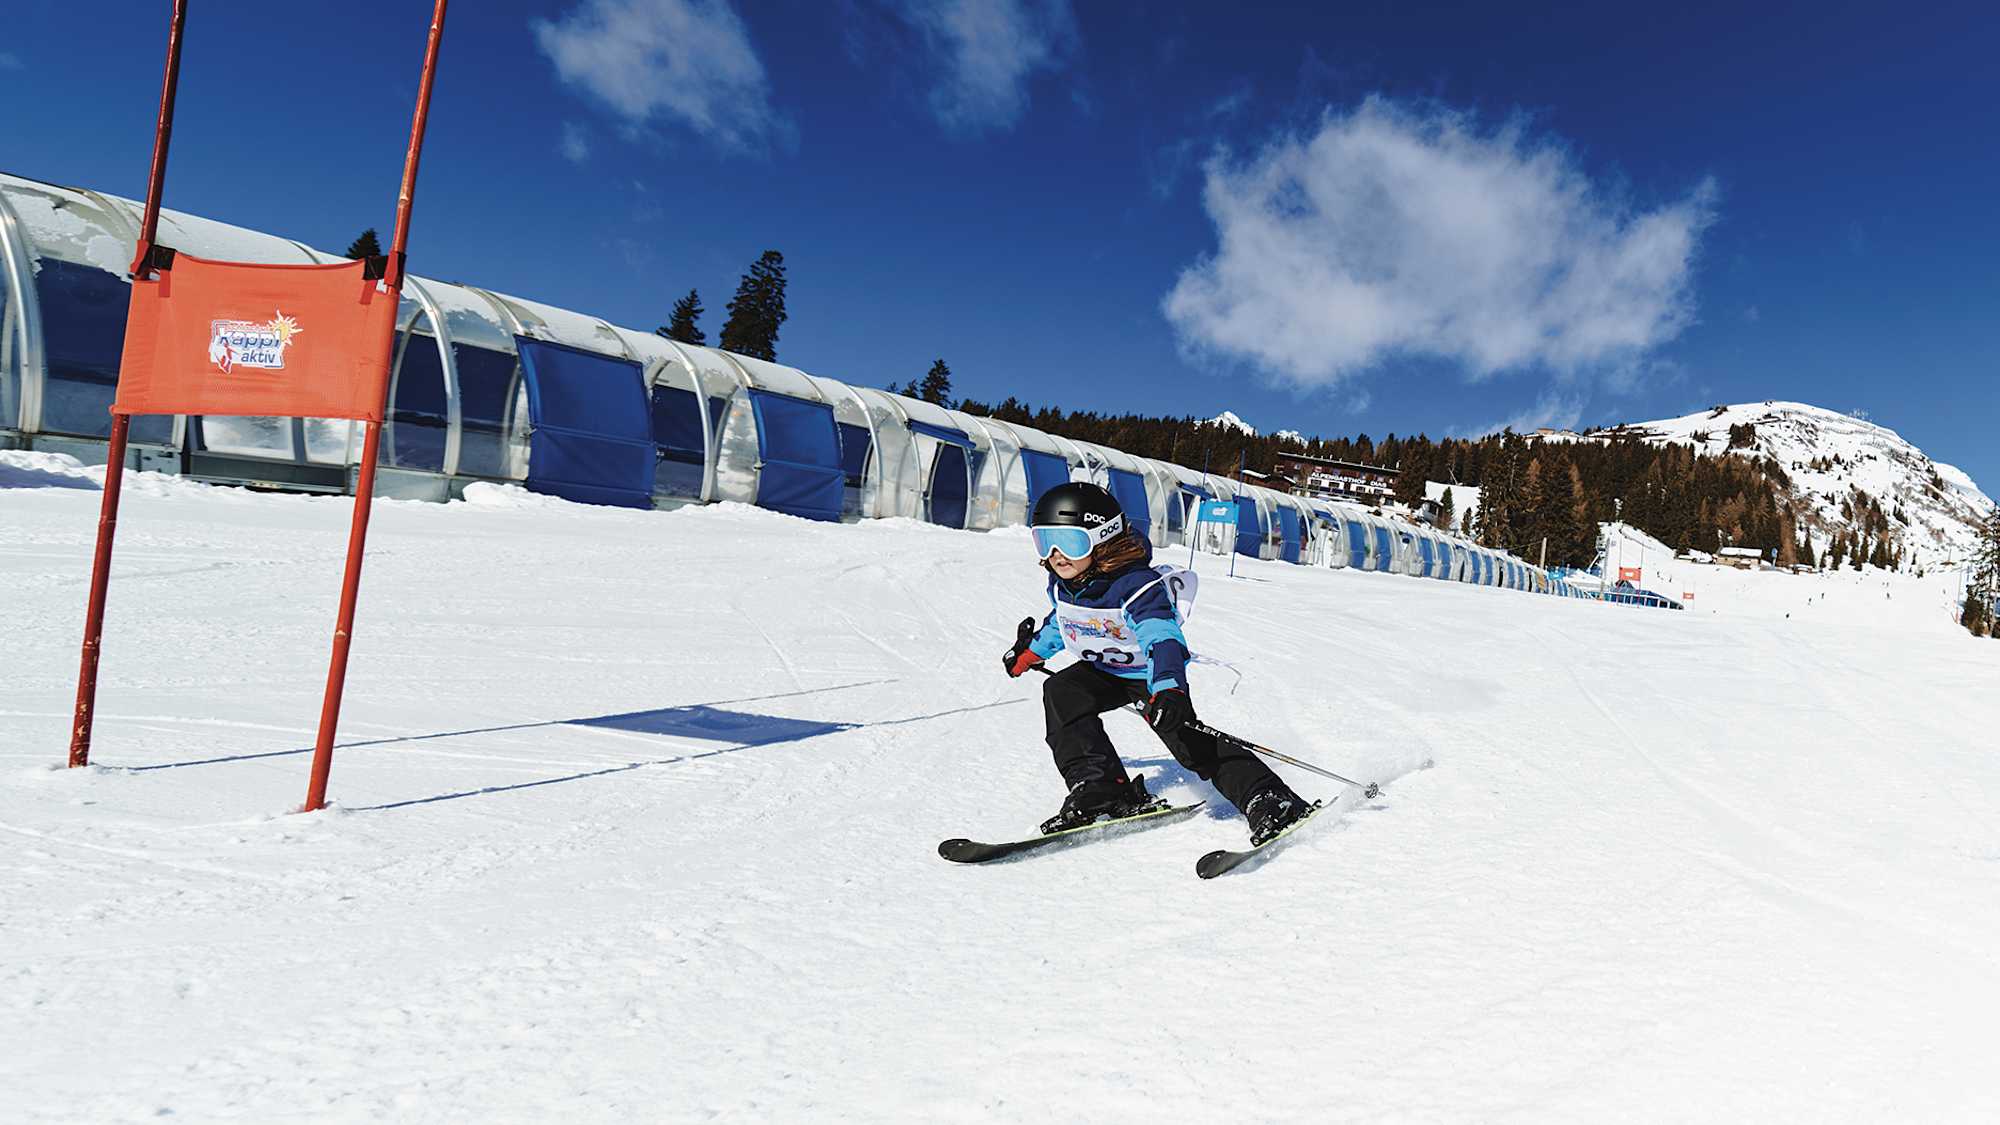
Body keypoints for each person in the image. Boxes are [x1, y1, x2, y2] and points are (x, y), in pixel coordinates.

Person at [1001, 482, 1313, 845]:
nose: (1056, 555)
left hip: (1151, 674)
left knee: (1188, 742)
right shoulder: (1064, 586)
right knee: (1062, 691)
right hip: (1105, 671)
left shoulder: (1134, 585)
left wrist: (1169, 688)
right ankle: (1102, 789)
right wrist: (1029, 654)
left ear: (1103, 538)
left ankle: (1268, 797)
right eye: (1045, 541)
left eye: (1070, 542)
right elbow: (1063, 623)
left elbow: (1162, 637)